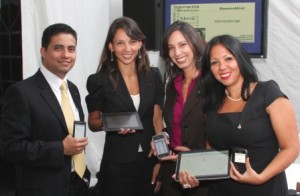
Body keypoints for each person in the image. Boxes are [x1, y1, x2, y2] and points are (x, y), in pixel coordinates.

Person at [177, 34, 299, 196]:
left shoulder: (267, 93)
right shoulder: (212, 104)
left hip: (265, 189)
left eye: (228, 58)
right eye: (214, 62)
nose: (222, 67)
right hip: (221, 190)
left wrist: (261, 177)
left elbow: (291, 148)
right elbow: (214, 152)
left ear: (240, 59)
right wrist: (195, 165)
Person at [0, 23, 90, 196]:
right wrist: (60, 149)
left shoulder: (73, 90)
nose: (66, 55)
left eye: (71, 49)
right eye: (58, 48)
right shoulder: (21, 92)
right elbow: (10, 148)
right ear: (43, 52)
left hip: (78, 185)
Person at [85, 17, 165, 196]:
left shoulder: (153, 76)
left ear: (140, 44)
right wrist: (112, 125)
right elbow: (93, 122)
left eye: (132, 42)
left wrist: (161, 160)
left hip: (149, 161)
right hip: (116, 166)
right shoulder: (100, 80)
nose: (127, 49)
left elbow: (157, 120)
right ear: (111, 46)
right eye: (120, 43)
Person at [155, 20, 208, 196]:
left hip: (203, 175)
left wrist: (198, 155)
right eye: (171, 47)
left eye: (182, 44)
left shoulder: (212, 83)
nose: (177, 53)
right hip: (172, 175)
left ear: (194, 44)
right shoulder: (173, 85)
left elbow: (223, 130)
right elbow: (176, 124)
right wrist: (164, 134)